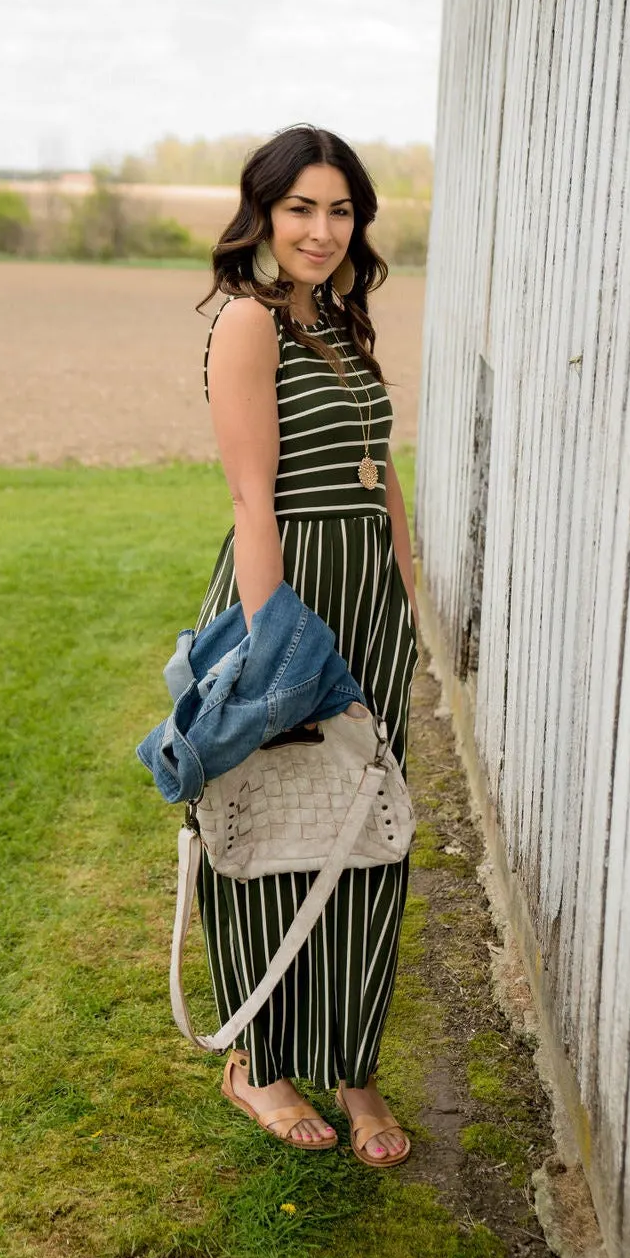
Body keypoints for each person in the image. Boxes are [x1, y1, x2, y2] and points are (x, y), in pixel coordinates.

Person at [190, 124, 418, 1164]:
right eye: (301, 209)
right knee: (271, 821)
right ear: (264, 214)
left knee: (367, 834)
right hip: (288, 594)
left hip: (368, 599)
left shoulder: (342, 316)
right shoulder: (247, 322)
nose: (322, 231)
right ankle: (259, 1064)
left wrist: (413, 600)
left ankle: (354, 1069)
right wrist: (275, 648)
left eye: (340, 210)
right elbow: (252, 496)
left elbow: (382, 468)